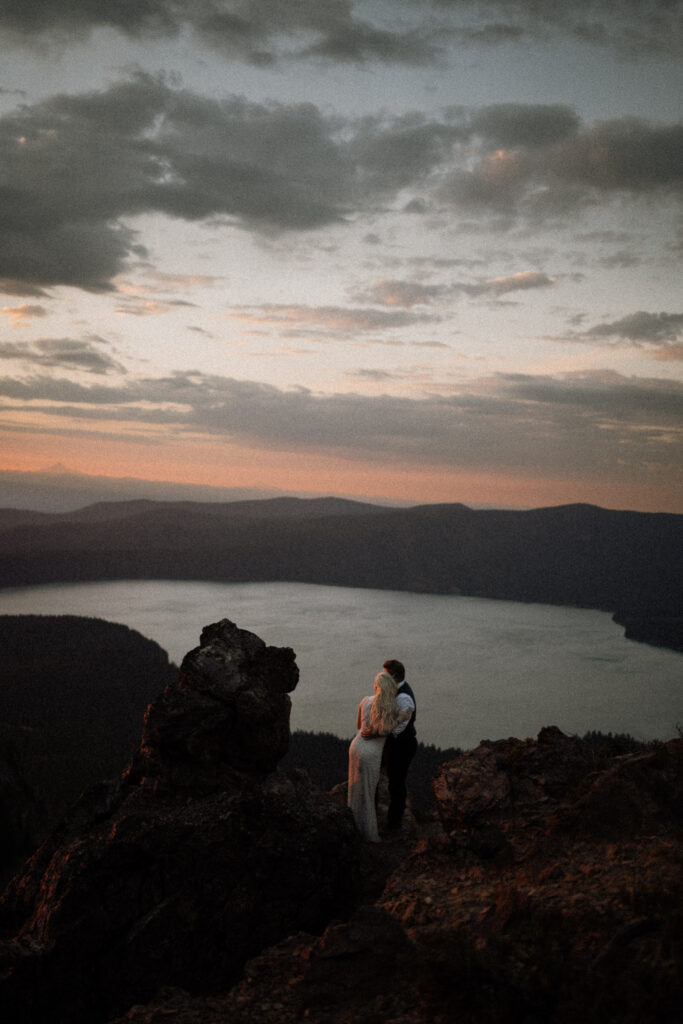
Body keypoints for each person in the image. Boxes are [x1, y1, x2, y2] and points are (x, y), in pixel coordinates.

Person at [347, 671, 402, 842]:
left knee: (354, 791)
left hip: (356, 746)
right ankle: (369, 834)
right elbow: (387, 730)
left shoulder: (365, 700)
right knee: (369, 793)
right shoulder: (390, 707)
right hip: (371, 753)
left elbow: (358, 725)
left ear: (376, 686)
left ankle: (352, 830)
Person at [382, 659, 417, 830]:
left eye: (385, 675)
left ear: (394, 676)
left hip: (402, 746)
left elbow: (398, 728)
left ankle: (394, 824)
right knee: (393, 782)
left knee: (396, 783)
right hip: (394, 745)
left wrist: (377, 731)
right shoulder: (396, 691)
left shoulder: (404, 698)